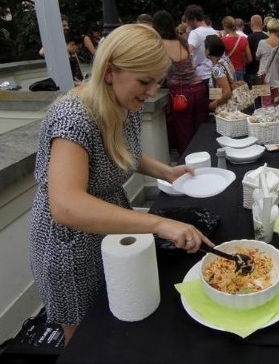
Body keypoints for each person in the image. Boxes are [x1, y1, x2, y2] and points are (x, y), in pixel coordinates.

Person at [29, 24, 214, 345]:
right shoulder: (73, 117)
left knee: (125, 325)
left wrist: (165, 172)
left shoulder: (124, 102)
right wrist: (158, 223)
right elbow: (65, 206)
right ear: (111, 71)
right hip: (70, 249)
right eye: (145, 81)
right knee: (89, 340)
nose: (152, 91)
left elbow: (121, 151)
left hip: (111, 229)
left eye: (157, 81)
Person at [153, 10, 209, 156]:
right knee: (201, 132)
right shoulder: (182, 41)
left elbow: (160, 71)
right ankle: (206, 162)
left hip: (181, 94)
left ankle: (189, 166)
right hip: (199, 89)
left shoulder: (159, 45)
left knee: (185, 135)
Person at [184, 5, 217, 86]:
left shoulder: (195, 33)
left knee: (204, 99)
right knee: (216, 98)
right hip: (215, 76)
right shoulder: (214, 31)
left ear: (193, 19)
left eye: (188, 21)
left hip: (202, 77)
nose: (188, 25)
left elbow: (187, 53)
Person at [256, 17, 279, 107]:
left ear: (268, 28)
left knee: (265, 105)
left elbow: (257, 57)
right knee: (277, 104)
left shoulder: (262, 43)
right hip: (278, 79)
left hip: (263, 77)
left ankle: (266, 121)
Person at [205, 34, 237, 112]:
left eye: (205, 48)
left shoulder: (217, 68)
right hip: (233, 104)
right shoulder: (226, 60)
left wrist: (214, 104)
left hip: (225, 109)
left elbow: (227, 92)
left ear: (208, 50)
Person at [220, 16, 252, 81]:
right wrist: (242, 64)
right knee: (240, 90)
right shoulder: (244, 39)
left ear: (225, 26)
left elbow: (220, 57)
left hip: (227, 71)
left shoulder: (223, 40)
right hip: (240, 71)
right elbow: (250, 59)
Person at [245, 14, 268, 88]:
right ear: (262, 25)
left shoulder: (248, 38)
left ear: (251, 25)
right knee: (264, 98)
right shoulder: (267, 38)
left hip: (251, 72)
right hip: (264, 74)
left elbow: (247, 57)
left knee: (253, 98)